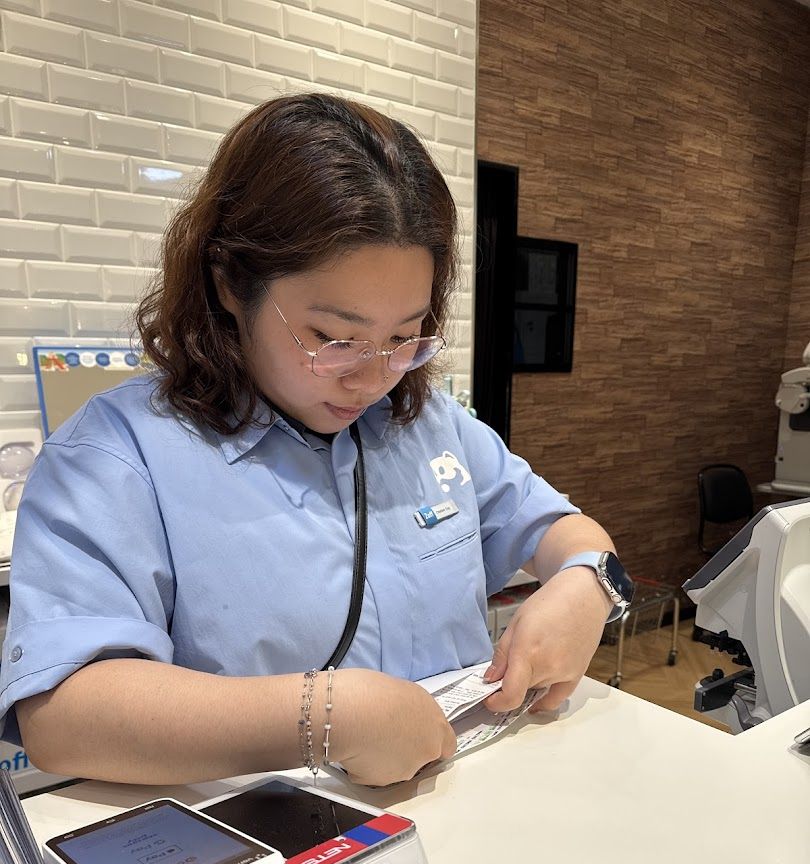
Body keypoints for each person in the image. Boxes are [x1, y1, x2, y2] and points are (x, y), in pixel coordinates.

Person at [0, 93, 622, 788]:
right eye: (333, 339)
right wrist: (321, 717)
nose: (371, 379)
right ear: (231, 282)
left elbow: (567, 531)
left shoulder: (428, 425)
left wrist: (586, 585)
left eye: (403, 337)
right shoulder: (118, 458)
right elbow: (61, 717)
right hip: (271, 858)